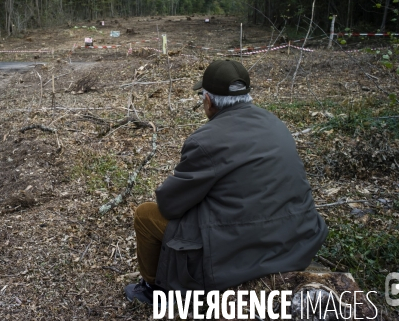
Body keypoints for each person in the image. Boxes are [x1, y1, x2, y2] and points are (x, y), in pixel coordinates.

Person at [125, 59, 328, 304]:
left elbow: (170, 204)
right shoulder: (276, 124)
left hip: (239, 250)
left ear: (208, 101)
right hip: (298, 242)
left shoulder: (206, 140)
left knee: (145, 215)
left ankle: (153, 289)